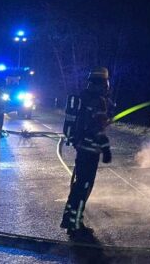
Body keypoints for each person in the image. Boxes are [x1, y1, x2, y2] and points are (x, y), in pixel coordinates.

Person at [60, 67, 113, 236]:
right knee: (84, 186)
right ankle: (75, 224)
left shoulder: (83, 96)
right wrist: (105, 148)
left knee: (78, 186)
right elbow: (97, 129)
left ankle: (69, 218)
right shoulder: (98, 101)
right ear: (104, 82)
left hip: (82, 147)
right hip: (90, 150)